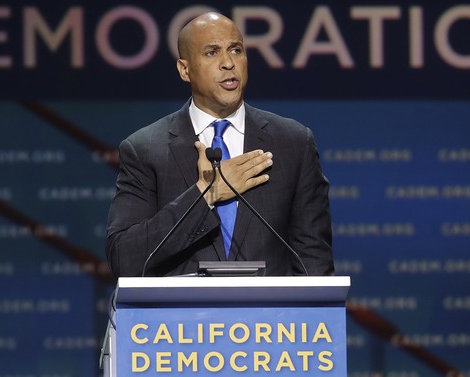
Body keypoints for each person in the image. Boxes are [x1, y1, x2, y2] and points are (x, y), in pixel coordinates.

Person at [105, 12, 334, 277]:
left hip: (270, 318)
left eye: (236, 50)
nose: (228, 63)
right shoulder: (145, 149)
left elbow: (314, 263)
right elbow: (124, 257)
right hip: (183, 318)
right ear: (185, 69)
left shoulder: (293, 143)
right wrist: (206, 195)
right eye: (212, 53)